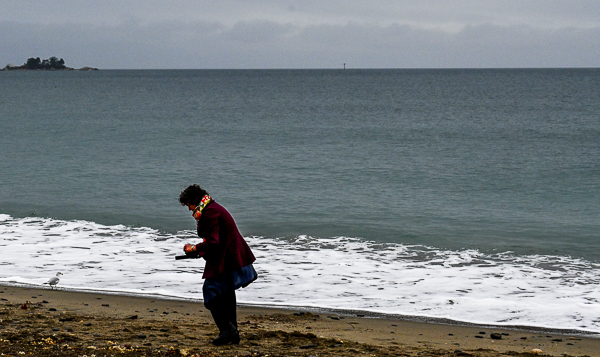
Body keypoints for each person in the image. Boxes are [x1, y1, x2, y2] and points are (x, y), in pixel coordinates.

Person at [179, 184, 257, 345]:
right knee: (226, 293)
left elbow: (213, 242)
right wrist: (198, 250)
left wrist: (194, 248)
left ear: (195, 201)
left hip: (227, 257)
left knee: (210, 293)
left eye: (188, 205)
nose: (189, 209)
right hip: (231, 254)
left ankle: (227, 331)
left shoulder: (210, 212)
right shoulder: (211, 208)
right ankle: (232, 333)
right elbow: (215, 240)